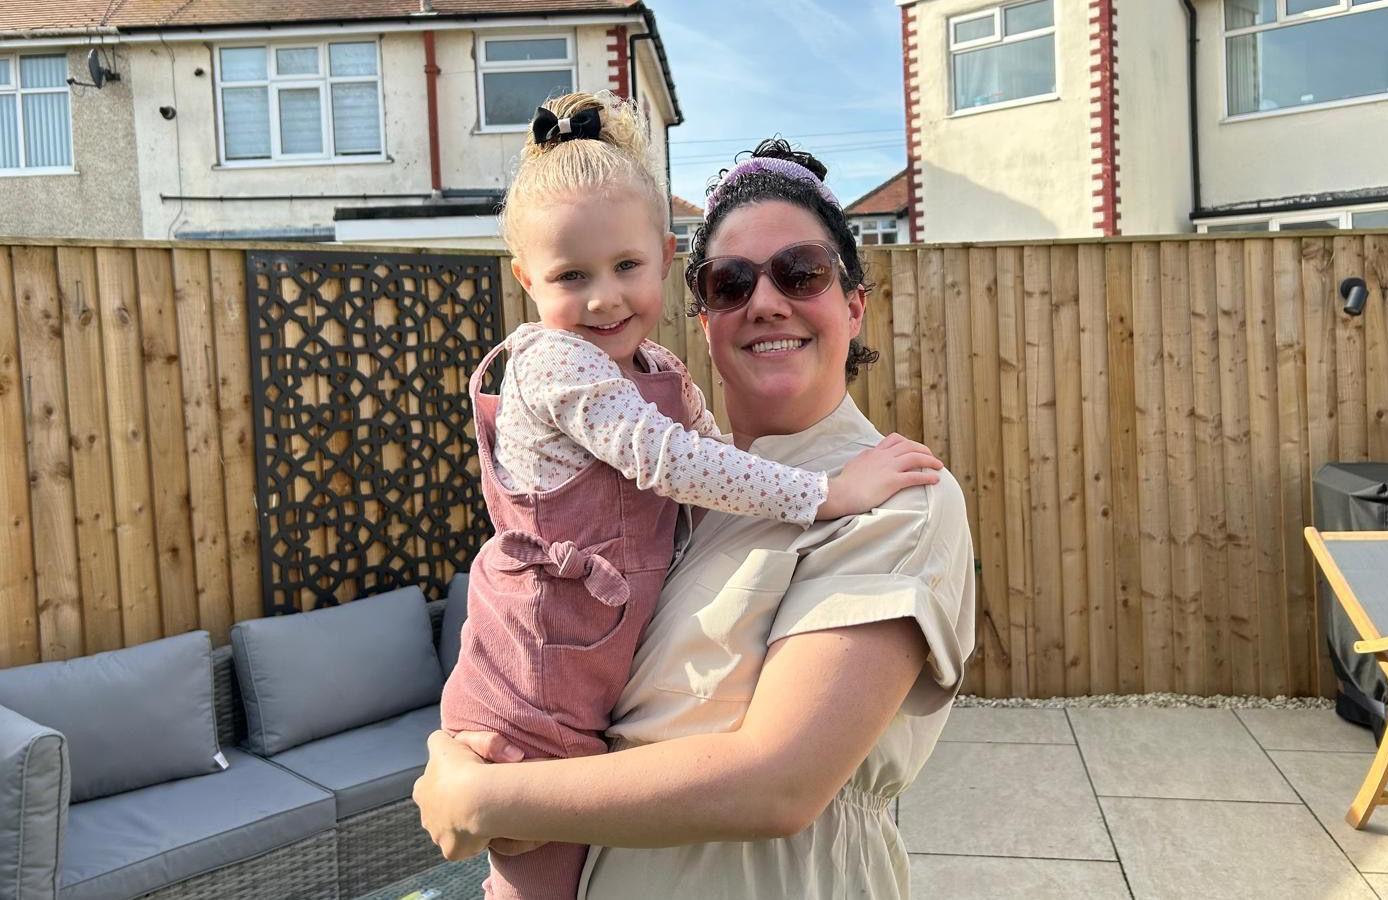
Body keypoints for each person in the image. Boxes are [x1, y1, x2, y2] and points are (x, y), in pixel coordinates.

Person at [417, 136, 976, 900]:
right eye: (731, 282)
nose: (766, 300)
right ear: (704, 317)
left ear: (853, 304)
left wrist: (480, 799)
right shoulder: (685, 502)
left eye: (801, 273)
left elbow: (778, 784)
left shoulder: (895, 496)